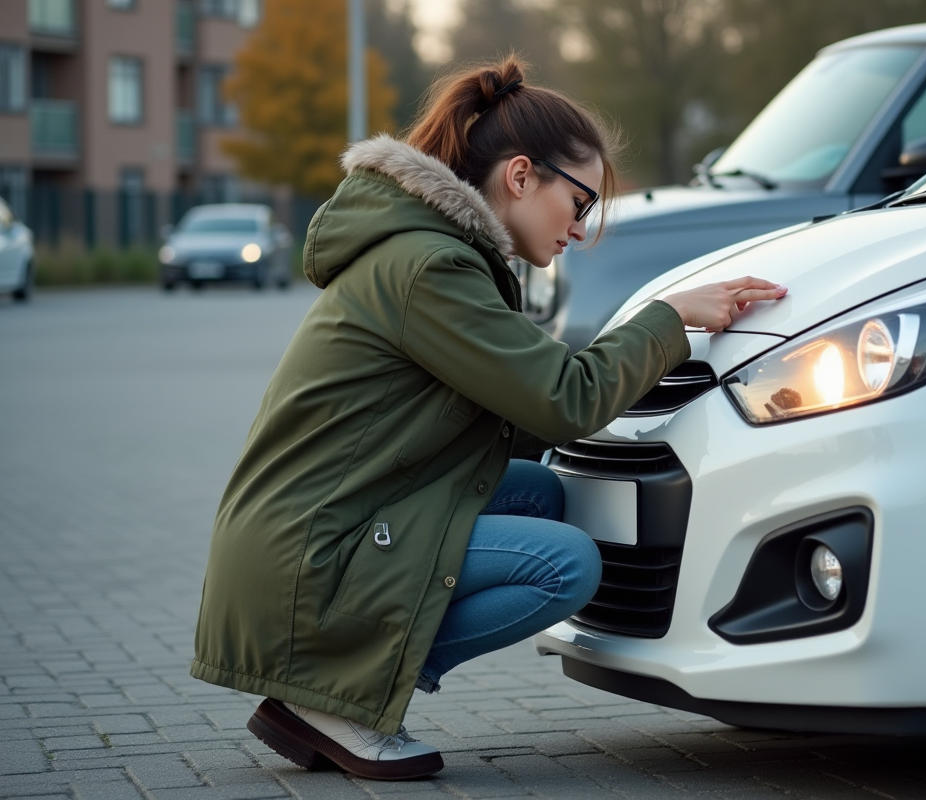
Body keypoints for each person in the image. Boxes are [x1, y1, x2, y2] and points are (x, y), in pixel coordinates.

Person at [190, 55, 787, 781]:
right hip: (314, 553)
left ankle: (339, 688)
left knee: (541, 494)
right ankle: (341, 696)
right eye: (580, 202)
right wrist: (666, 321)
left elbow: (522, 408)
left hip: (333, 521)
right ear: (521, 176)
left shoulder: (436, 252)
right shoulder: (431, 269)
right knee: (566, 564)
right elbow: (563, 401)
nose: (581, 229)